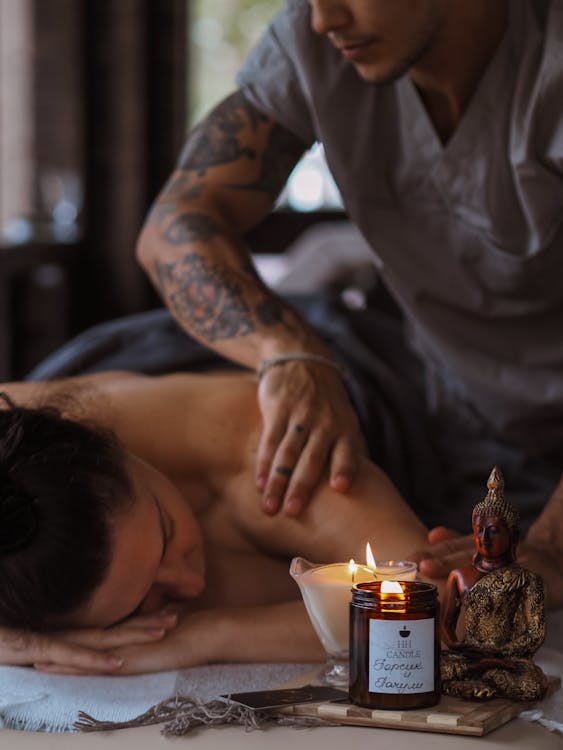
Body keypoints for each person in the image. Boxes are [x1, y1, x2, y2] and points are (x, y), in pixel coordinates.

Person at [134, 0, 563, 587]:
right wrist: (285, 352)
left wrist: (552, 548)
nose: (321, 18)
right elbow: (173, 227)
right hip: (446, 406)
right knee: (133, 361)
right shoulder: (316, 48)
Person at [0, 369, 429, 675]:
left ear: (117, 448)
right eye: (139, 604)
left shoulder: (276, 452)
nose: (191, 585)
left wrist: (206, 637)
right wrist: (22, 643)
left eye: (167, 536)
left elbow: (442, 609)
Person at [440, 466, 548, 701]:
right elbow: (444, 623)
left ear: (513, 537)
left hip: (506, 658)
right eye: (479, 531)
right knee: (431, 668)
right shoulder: (458, 575)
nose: (484, 539)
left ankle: (469, 684)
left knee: (532, 685)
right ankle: (474, 679)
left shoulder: (527, 580)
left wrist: (498, 653)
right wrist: (458, 647)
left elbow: (535, 633)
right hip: (470, 656)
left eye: (493, 531)